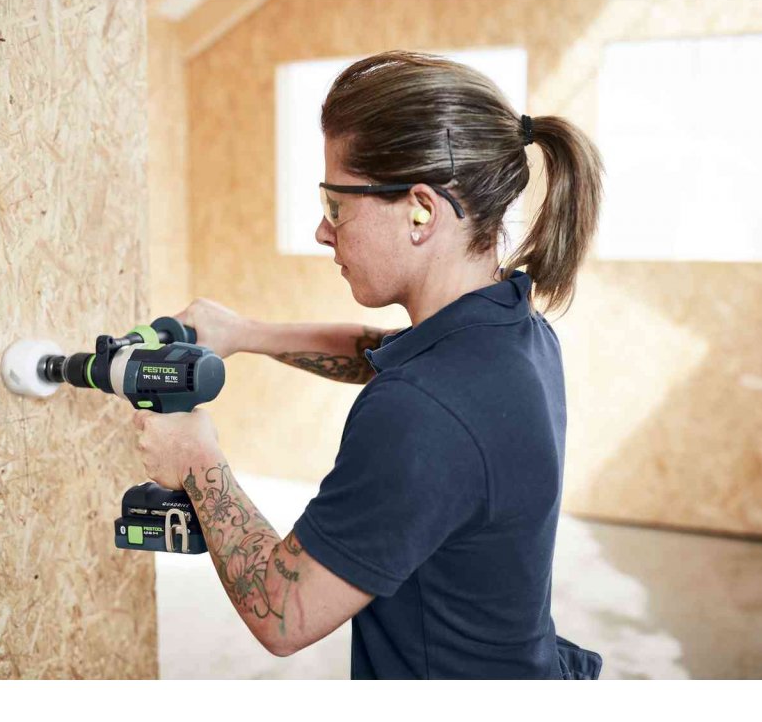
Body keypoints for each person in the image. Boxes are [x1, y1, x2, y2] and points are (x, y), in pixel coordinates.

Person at [134, 50, 605, 679]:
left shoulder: (422, 414)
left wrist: (195, 460)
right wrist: (244, 335)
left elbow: (283, 612)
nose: (322, 231)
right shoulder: (511, 329)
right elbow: (379, 352)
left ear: (420, 211)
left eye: (336, 204)